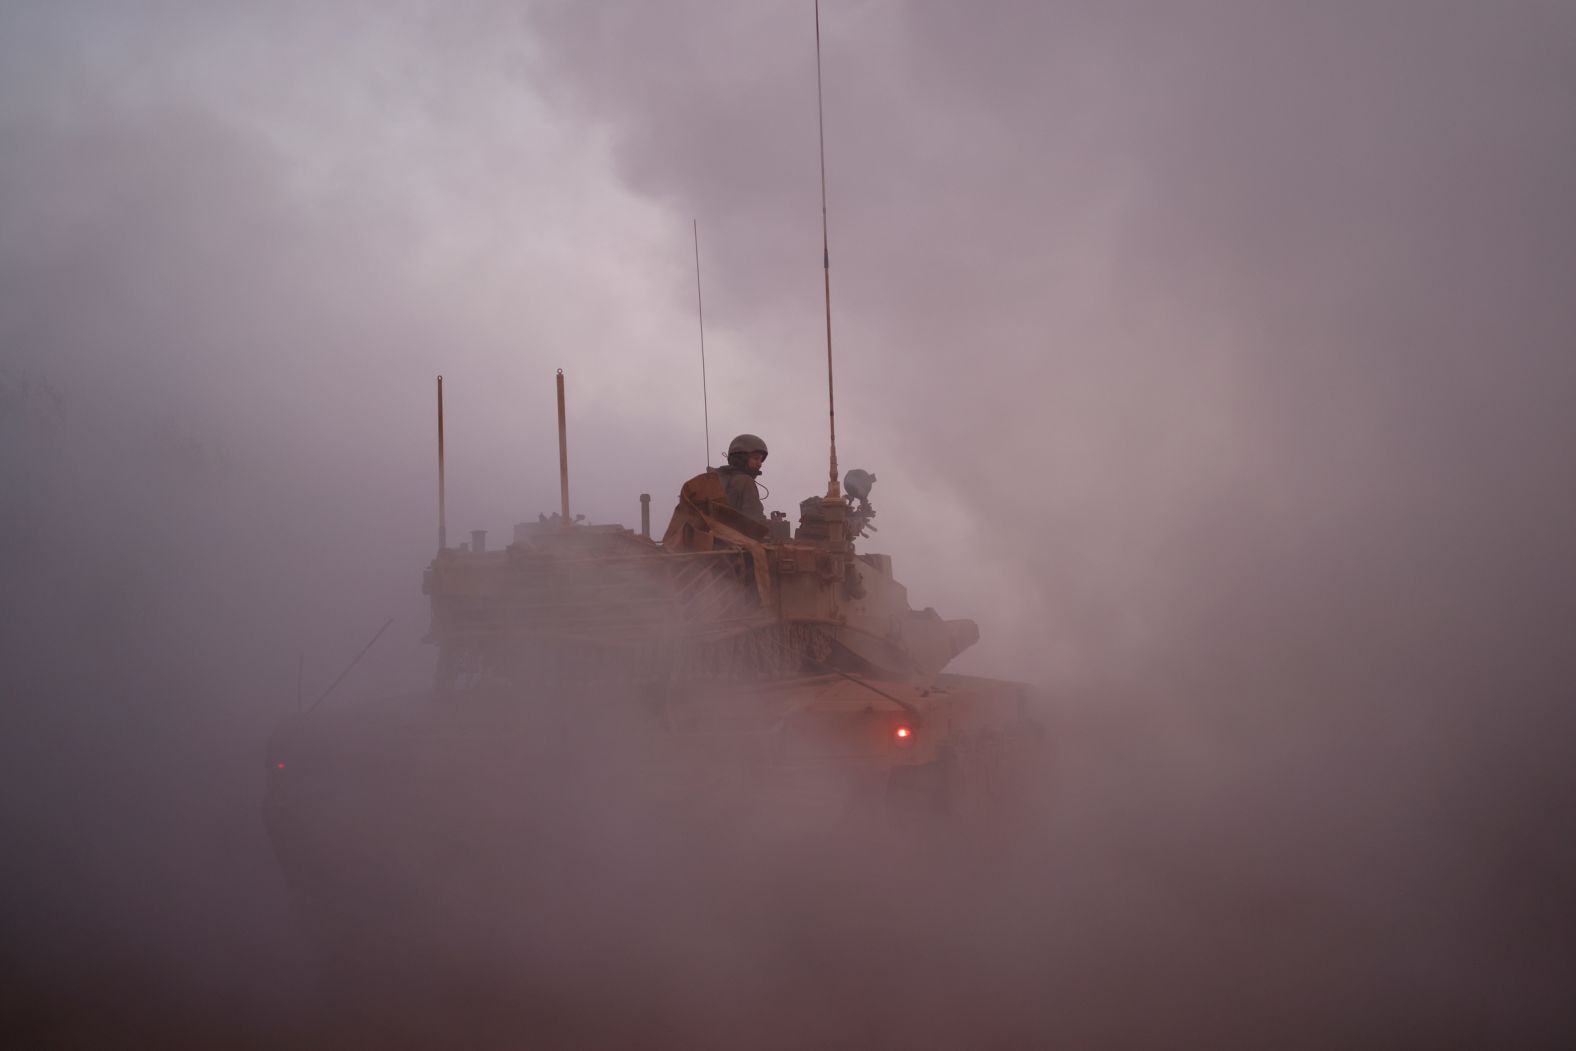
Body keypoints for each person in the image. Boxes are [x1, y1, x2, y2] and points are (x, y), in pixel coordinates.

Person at [717, 433, 768, 522]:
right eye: (756, 458)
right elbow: (755, 522)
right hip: (735, 535)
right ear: (742, 458)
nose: (760, 464)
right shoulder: (745, 481)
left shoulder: (717, 478)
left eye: (761, 460)